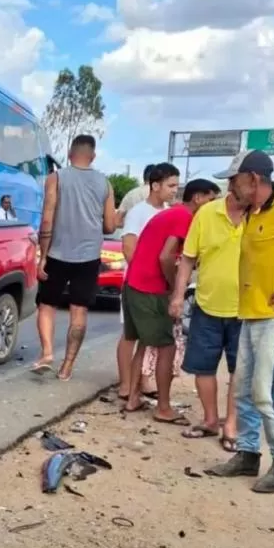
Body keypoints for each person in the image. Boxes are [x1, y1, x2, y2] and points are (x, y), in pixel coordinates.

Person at [206, 150, 274, 492]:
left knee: (264, 392)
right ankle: (248, 455)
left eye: (233, 181)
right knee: (244, 392)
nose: (229, 187)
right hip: (250, 316)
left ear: (253, 179)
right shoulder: (251, 215)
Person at [122, 178, 219, 421]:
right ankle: (163, 408)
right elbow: (166, 256)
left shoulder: (171, 214)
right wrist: (173, 283)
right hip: (150, 288)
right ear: (198, 198)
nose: (213, 205)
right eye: (211, 199)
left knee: (144, 343)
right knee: (167, 346)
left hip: (134, 284)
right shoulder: (184, 218)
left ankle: (134, 398)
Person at [169, 180, 247, 452]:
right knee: (203, 367)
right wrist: (178, 296)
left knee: (241, 369)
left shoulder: (262, 215)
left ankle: (232, 425)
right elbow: (188, 258)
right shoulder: (207, 213)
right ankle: (211, 420)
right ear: (234, 183)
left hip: (248, 310)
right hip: (206, 304)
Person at [33, 134, 115, 380]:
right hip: (89, 257)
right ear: (93, 156)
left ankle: (47, 353)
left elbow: (47, 218)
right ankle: (67, 367)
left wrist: (43, 256)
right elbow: (110, 226)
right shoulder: (106, 184)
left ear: (70, 154)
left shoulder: (56, 178)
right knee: (79, 311)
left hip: (57, 253)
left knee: (46, 304)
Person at [116, 162, 180, 400]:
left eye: (177, 186)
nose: (175, 190)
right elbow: (128, 248)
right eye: (171, 185)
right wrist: (143, 277)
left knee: (147, 336)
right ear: (155, 185)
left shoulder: (166, 213)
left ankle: (140, 382)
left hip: (157, 285)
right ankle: (125, 384)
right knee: (130, 335)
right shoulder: (138, 212)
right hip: (137, 284)